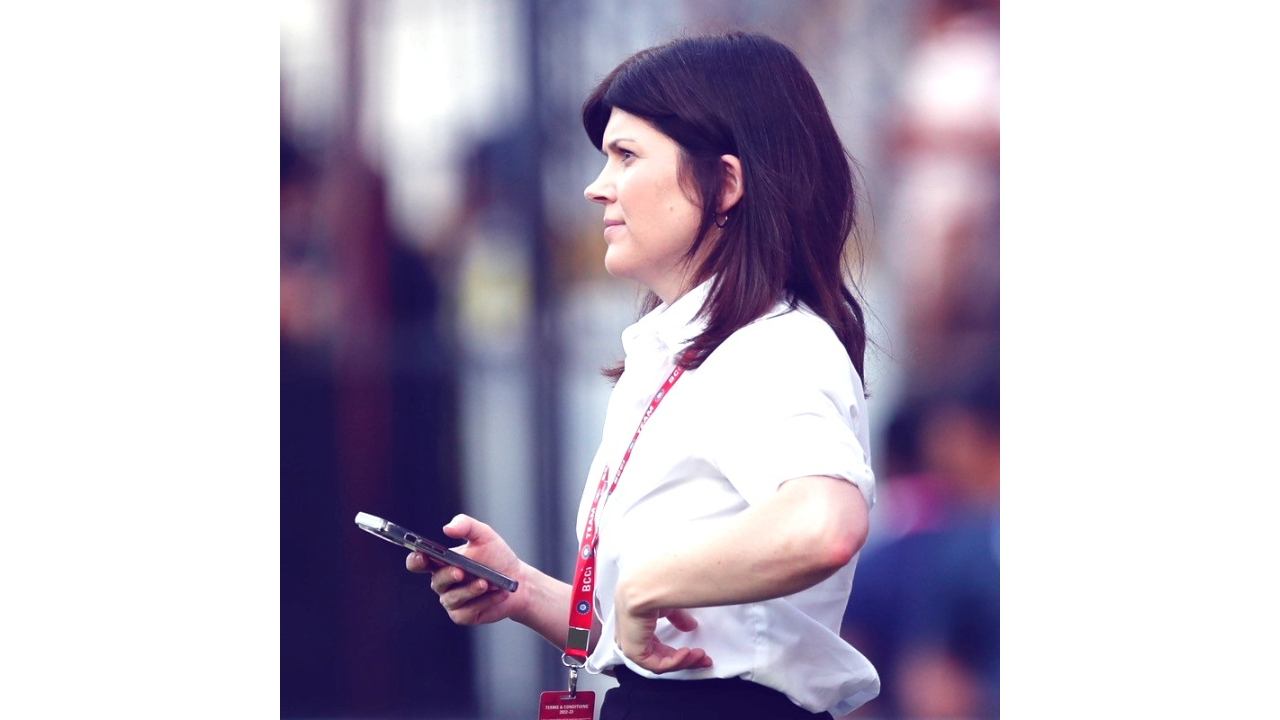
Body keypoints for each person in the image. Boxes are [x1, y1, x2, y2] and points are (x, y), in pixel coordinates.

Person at [408, 31, 880, 719]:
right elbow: (670, 647)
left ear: (726, 183)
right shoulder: (681, 352)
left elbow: (825, 523)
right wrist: (524, 591)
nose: (596, 187)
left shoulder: (776, 345)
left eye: (626, 156)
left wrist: (644, 586)